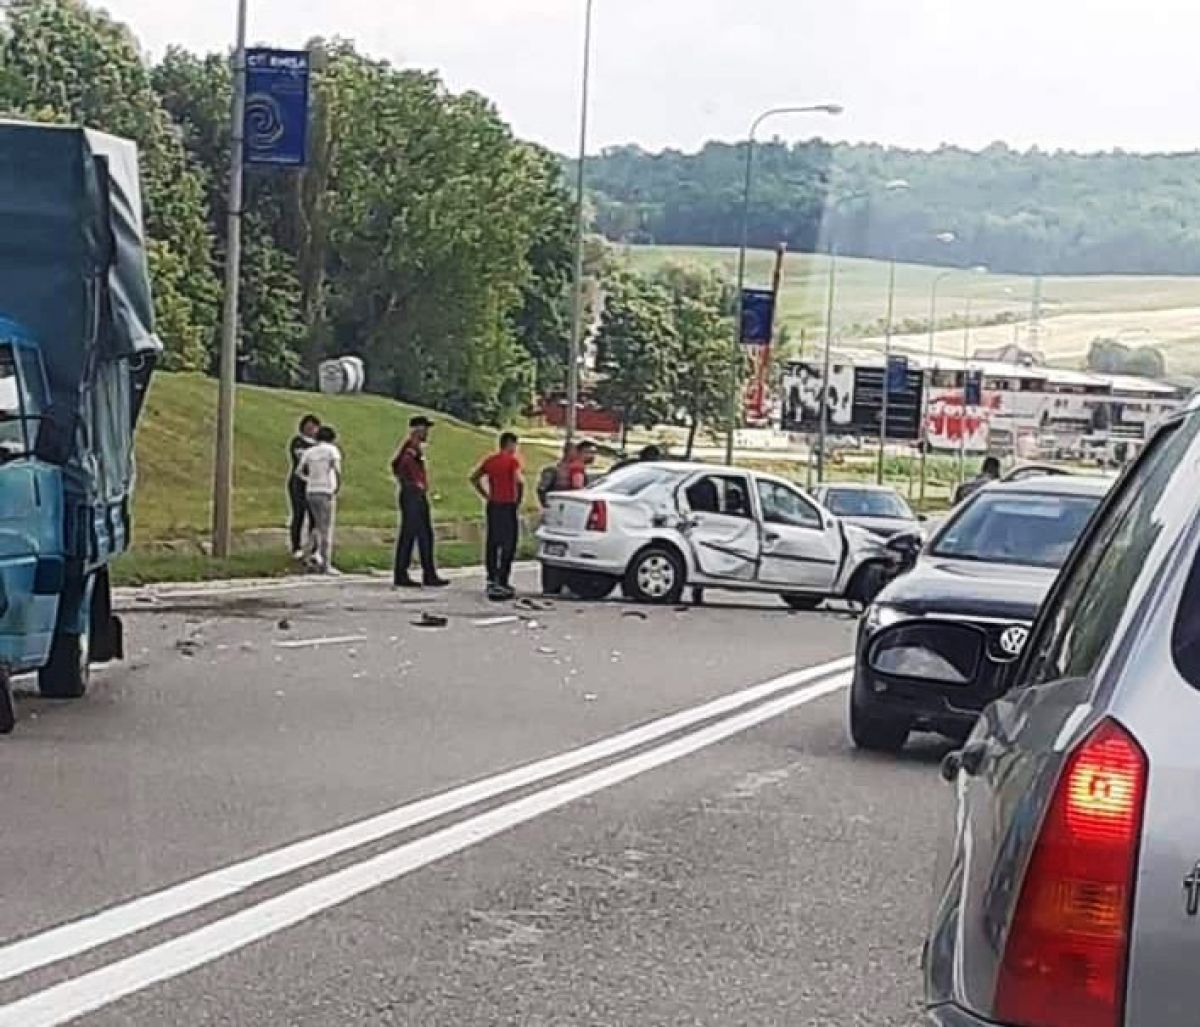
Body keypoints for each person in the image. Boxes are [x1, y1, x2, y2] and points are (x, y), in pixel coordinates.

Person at [392, 415, 449, 588]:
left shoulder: (414, 447)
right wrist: (413, 482)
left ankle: (428, 572)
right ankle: (402, 573)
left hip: (415, 493)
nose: (427, 433)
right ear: (417, 429)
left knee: (425, 534)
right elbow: (402, 464)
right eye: (425, 428)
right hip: (412, 494)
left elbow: (395, 464)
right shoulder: (411, 448)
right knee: (410, 533)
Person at [470, 432, 524, 601]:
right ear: (510, 444)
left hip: (493, 504)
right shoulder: (512, 461)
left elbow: (474, 478)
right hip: (508, 505)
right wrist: (518, 501)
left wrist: (486, 495)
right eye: (515, 445)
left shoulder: (490, 461)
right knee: (509, 543)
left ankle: (491, 576)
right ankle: (503, 579)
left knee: (493, 541)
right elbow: (519, 481)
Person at [296, 425, 342, 574]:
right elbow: (337, 469)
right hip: (326, 490)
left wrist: (309, 479)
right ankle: (326, 564)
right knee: (326, 529)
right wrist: (337, 485)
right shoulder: (332, 450)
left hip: (311, 490)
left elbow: (299, 471)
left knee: (314, 525)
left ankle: (307, 557)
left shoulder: (309, 451)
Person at [287, 414, 320, 558]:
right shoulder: (298, 442)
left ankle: (313, 547)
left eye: (314, 427)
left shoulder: (320, 444)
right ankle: (296, 546)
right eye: (308, 427)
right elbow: (301, 458)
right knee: (298, 514)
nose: (311, 430)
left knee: (315, 516)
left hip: (315, 483)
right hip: (299, 483)